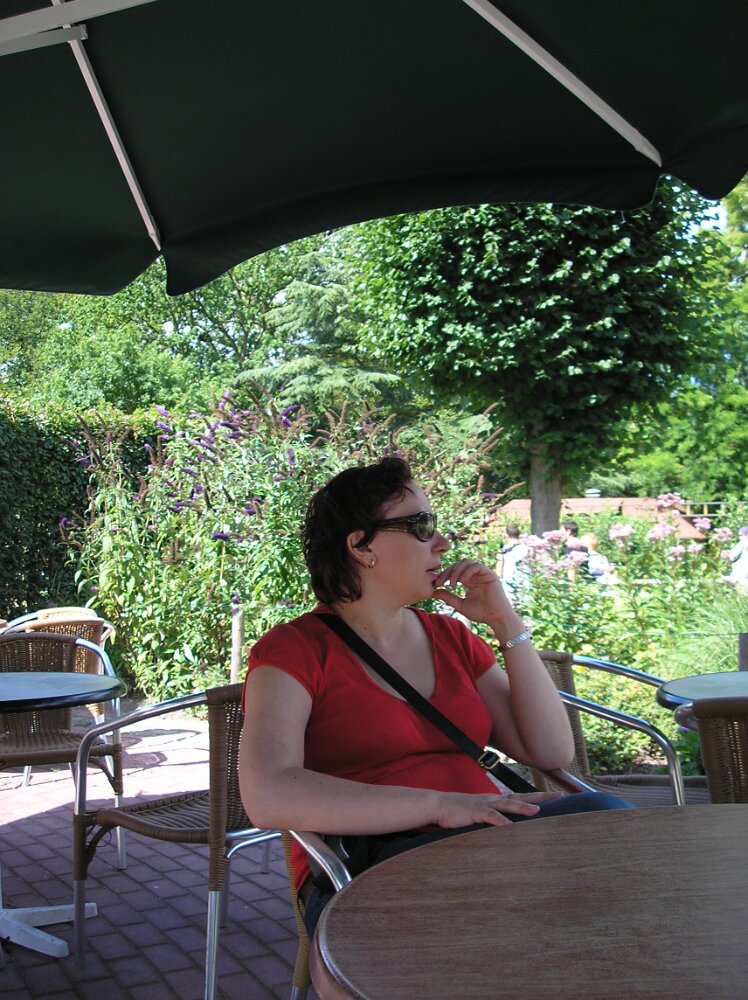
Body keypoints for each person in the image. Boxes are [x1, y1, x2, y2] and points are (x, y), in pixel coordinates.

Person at [238, 457, 633, 935]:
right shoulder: (294, 651)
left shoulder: (451, 638)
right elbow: (268, 794)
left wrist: (505, 621)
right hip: (370, 862)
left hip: (484, 842)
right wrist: (440, 805)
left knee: (612, 822)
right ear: (361, 546)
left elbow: (550, 751)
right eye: (422, 526)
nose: (443, 543)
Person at [497, 523, 529, 604]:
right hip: (525, 583)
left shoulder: (504, 550)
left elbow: (499, 569)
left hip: (509, 584)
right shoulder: (527, 548)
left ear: (506, 535)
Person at [725, 526, 748, 591]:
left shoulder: (743, 543)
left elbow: (732, 556)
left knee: (738, 583)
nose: (739, 537)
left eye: (741, 535)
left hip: (742, 567)